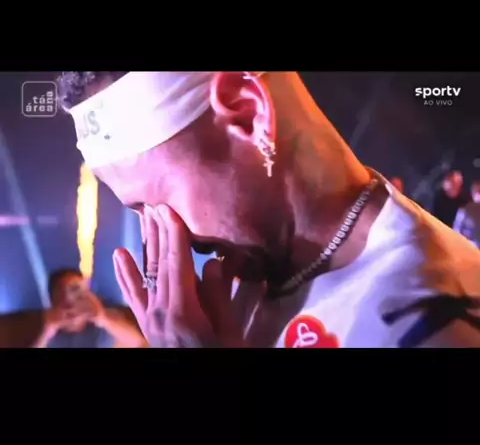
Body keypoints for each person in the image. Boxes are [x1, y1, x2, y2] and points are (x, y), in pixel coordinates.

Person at [56, 71, 480, 349]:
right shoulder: (241, 288)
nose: (164, 242)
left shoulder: (432, 325)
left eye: (156, 203)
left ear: (247, 112)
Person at [32, 268, 147, 348]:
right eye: (61, 295)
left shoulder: (109, 319)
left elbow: (139, 344)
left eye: (76, 291)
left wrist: (102, 318)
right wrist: (47, 332)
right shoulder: (48, 329)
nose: (70, 300)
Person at [453, 181, 480, 249]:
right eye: (478, 192)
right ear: (473, 194)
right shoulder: (465, 211)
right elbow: (457, 232)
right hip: (470, 249)